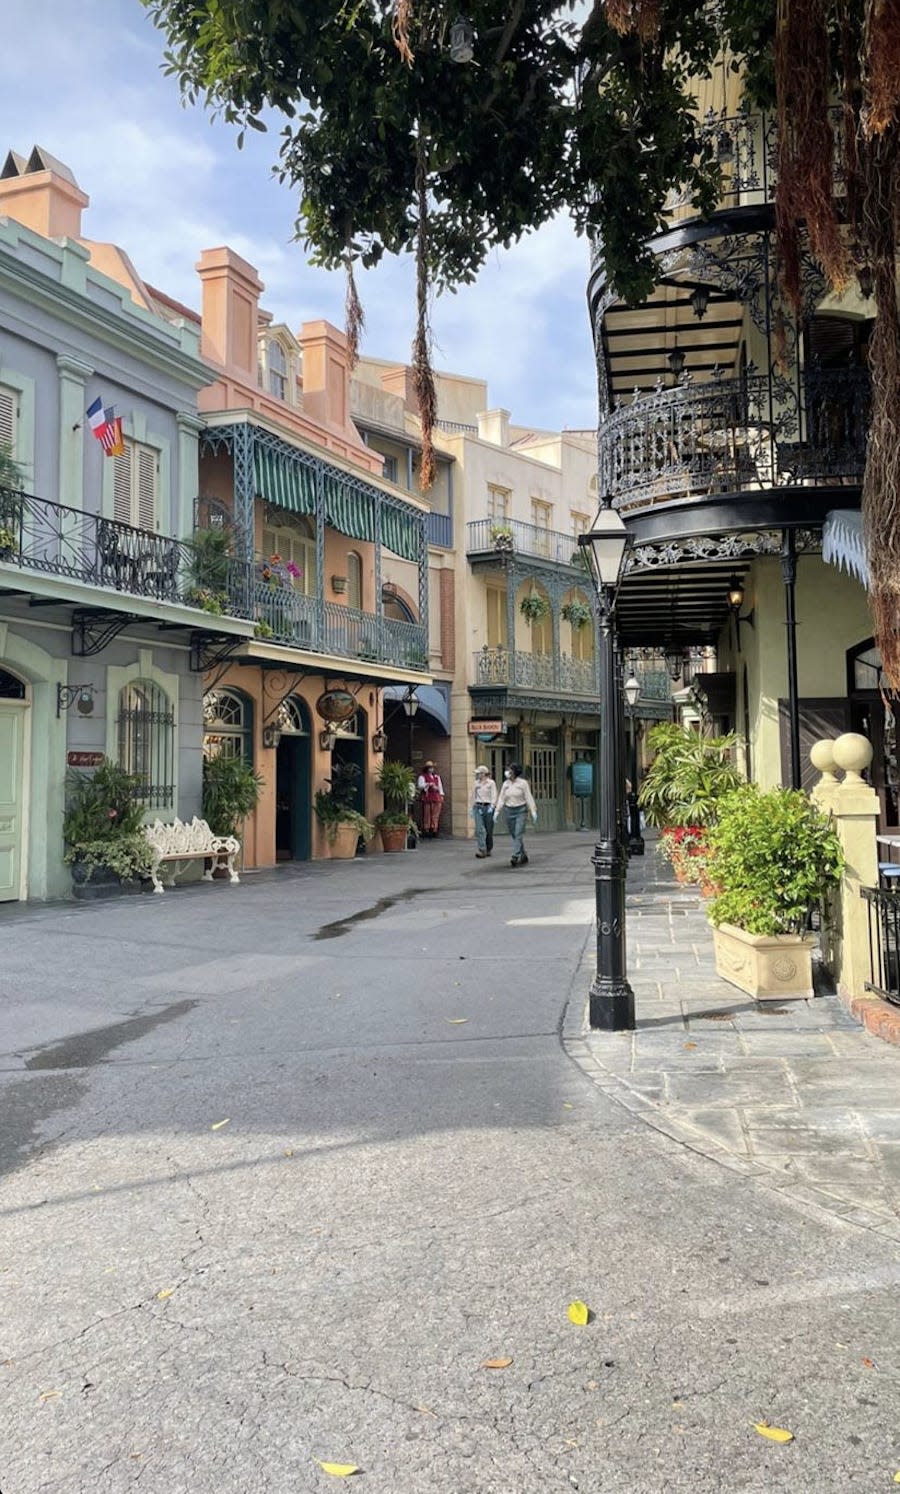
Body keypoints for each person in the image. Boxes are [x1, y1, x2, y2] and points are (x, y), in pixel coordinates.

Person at [493, 762, 538, 866]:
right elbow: (501, 798)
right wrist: (497, 811)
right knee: (514, 834)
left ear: (515, 772)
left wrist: (533, 811)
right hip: (509, 810)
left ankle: (516, 855)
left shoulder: (523, 783)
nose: (507, 772)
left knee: (518, 833)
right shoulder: (506, 784)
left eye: (510, 770)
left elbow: (528, 797)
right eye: (507, 769)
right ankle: (523, 854)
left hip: (520, 811)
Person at [470, 765, 497, 858]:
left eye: (479, 773)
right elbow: (473, 795)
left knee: (489, 829)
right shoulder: (476, 783)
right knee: (479, 829)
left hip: (488, 807)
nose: (477, 775)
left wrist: (492, 806)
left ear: (484, 774)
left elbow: (494, 795)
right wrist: (471, 808)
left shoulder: (491, 783)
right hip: (478, 807)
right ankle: (482, 849)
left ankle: (489, 848)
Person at [417, 760, 445, 838]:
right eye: (429, 768)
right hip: (427, 797)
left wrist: (441, 795)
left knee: (435, 814)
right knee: (427, 814)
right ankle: (426, 829)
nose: (431, 769)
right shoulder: (422, 776)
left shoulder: (437, 777)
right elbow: (420, 786)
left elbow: (440, 787)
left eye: (432, 768)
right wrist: (428, 784)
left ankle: (434, 829)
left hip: (436, 797)